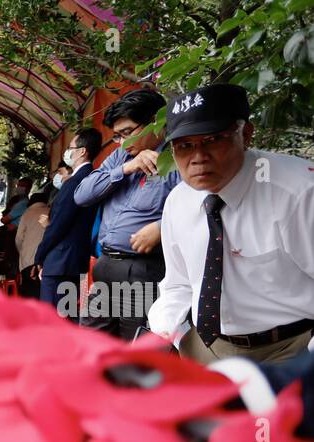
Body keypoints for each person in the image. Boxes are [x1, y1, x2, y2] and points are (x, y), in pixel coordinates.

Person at [148, 83, 314, 363]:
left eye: (213, 140)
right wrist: (175, 336)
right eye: (185, 146)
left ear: (245, 134)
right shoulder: (179, 201)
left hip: (289, 347)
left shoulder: (299, 192)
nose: (198, 158)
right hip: (205, 346)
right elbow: (178, 285)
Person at [73, 88, 181, 339]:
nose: (123, 142)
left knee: (132, 350)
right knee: (91, 342)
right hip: (105, 265)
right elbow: (82, 194)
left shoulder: (177, 158)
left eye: (127, 133)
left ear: (155, 122)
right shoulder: (120, 156)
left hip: (142, 270)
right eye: (117, 136)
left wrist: (163, 227)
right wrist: (127, 168)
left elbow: (198, 206)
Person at [32, 128, 102, 311]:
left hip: (60, 262)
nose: (67, 152)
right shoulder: (92, 177)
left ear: (82, 151)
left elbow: (59, 225)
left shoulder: (74, 183)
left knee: (52, 323)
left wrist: (40, 255)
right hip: (74, 261)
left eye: (71, 147)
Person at [14, 189, 53, 299]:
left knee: (29, 294)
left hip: (28, 261)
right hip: (46, 262)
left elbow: (19, 238)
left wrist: (22, 253)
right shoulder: (51, 212)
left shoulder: (27, 213)